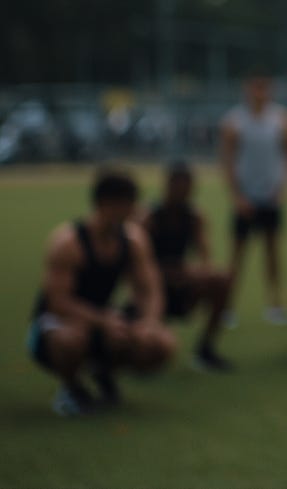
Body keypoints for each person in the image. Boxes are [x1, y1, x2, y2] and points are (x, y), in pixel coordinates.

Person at [28, 167, 176, 415]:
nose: (135, 211)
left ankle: (103, 372)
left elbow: (150, 289)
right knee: (71, 340)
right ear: (108, 203)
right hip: (60, 323)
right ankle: (71, 389)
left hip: (104, 318)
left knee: (160, 345)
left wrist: (148, 323)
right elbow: (58, 302)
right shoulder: (68, 242)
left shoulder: (133, 240)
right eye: (130, 204)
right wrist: (103, 321)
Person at [219, 69, 287, 324]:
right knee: (237, 256)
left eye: (264, 87)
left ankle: (275, 305)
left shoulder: (281, 120)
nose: (260, 93)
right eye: (256, 87)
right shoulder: (234, 121)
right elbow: (227, 161)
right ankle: (226, 307)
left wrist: (283, 189)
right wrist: (236, 196)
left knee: (273, 253)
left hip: (271, 196)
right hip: (246, 197)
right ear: (247, 89)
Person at [142, 162, 233, 371]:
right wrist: (172, 273)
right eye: (179, 187)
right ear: (168, 186)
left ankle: (205, 349)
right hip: (153, 282)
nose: (183, 193)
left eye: (188, 188)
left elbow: (205, 259)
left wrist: (197, 274)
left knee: (222, 279)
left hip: (181, 279)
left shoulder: (194, 217)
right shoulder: (149, 217)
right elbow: (138, 264)